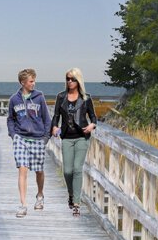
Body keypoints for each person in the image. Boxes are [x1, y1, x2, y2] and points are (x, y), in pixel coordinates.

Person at [51, 68, 97, 217]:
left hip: (81, 137)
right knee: (67, 171)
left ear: (78, 81)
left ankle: (77, 202)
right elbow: (56, 115)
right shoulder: (61, 97)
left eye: (72, 79)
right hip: (66, 137)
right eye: (67, 79)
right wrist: (54, 127)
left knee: (78, 168)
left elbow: (93, 117)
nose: (69, 82)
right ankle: (71, 194)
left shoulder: (86, 98)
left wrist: (92, 125)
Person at [7, 68, 51, 218]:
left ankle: (40, 195)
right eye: (31, 81)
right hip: (20, 138)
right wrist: (13, 134)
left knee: (39, 171)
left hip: (38, 138)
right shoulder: (14, 99)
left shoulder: (39, 97)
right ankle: (23, 204)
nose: (34, 83)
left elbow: (46, 118)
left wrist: (46, 137)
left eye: (34, 81)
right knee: (22, 169)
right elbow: (10, 119)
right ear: (23, 82)